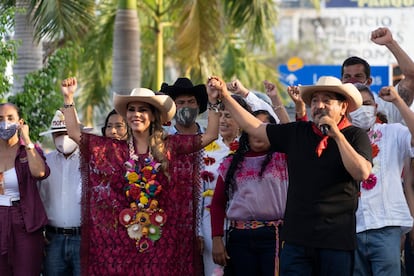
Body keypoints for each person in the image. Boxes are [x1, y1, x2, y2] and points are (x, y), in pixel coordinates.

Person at [207, 75, 373, 276]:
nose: (319, 105)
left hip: (336, 242)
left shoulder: (355, 135)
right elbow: (255, 127)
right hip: (297, 242)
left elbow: (362, 172)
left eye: (327, 100)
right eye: (314, 100)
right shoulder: (298, 132)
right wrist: (225, 95)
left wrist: (336, 135)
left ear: (343, 108)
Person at [60, 76, 220, 275]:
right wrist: (68, 99)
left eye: (142, 110)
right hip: (124, 242)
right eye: (132, 109)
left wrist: (213, 101)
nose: (136, 114)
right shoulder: (114, 150)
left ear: (153, 115)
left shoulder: (170, 146)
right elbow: (75, 133)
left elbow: (211, 135)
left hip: (163, 243)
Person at [210, 109, 288, 276]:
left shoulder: (284, 159)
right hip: (239, 238)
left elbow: (297, 136)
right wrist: (216, 239)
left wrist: (279, 104)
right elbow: (217, 203)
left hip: (273, 236)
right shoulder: (231, 163)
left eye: (263, 127)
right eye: (252, 127)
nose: (257, 132)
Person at [348, 83, 414, 275]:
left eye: (367, 103)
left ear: (376, 107)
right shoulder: (340, 139)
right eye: (357, 105)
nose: (362, 110)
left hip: (385, 225)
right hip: (350, 228)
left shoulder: (392, 132)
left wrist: (398, 101)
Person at [199, 94, 252, 276]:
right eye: (220, 115)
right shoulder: (205, 149)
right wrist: (199, 232)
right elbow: (199, 194)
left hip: (244, 224)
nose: (222, 120)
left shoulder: (251, 148)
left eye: (228, 115)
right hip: (210, 223)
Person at [0, 103, 50, 276]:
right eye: (0, 119)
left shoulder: (28, 151)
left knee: (27, 270)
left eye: (10, 118)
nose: (5, 123)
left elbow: (40, 172)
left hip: (24, 220)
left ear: (20, 122)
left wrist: (27, 140)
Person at [38, 109, 85, 276]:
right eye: (57, 133)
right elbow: (38, 199)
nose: (63, 138)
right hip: (53, 239)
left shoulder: (89, 162)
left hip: (83, 238)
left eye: (66, 132)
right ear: (51, 136)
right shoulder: (44, 163)